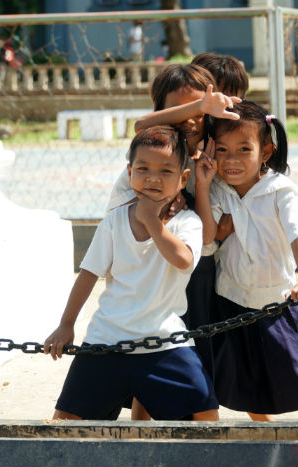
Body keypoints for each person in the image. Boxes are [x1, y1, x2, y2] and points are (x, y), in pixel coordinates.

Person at [44, 126, 219, 422]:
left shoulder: (188, 222)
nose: (153, 178)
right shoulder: (114, 221)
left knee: (205, 414)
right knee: (65, 422)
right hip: (106, 340)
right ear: (129, 172)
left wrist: (152, 220)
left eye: (166, 171)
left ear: (183, 179)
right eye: (143, 168)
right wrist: (66, 324)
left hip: (165, 342)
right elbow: (88, 275)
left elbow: (183, 260)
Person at [105, 63, 240, 420]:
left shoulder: (209, 158)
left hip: (194, 272)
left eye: (200, 109)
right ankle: (142, 429)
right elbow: (141, 125)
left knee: (189, 361)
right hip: (146, 270)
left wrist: (203, 185)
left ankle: (200, 432)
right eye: (182, 110)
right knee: (146, 354)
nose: (192, 119)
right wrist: (201, 105)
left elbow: (206, 239)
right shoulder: (152, 158)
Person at [193, 100, 298, 422]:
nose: (232, 160)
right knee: (246, 383)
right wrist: (202, 184)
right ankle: (266, 438)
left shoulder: (281, 191)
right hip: (231, 301)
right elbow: (206, 237)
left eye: (244, 149)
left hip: (275, 304)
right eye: (222, 150)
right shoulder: (219, 189)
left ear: (266, 152)